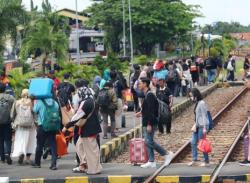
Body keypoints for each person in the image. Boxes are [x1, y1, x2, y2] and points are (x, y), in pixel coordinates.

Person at [62, 86, 102, 174]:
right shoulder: (92, 100)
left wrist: (67, 126)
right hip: (91, 129)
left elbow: (78, 116)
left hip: (88, 130)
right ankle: (84, 164)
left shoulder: (86, 102)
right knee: (80, 146)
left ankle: (94, 169)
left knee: (91, 150)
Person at [135, 77, 173, 168]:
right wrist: (141, 113)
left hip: (150, 122)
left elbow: (152, 111)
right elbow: (148, 110)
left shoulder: (150, 95)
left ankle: (166, 154)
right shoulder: (147, 94)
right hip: (146, 121)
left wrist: (149, 124)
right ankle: (151, 161)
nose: (138, 85)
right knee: (148, 141)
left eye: (140, 83)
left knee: (148, 141)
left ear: (145, 84)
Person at [32, 96, 60, 170]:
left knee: (40, 145)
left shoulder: (40, 102)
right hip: (53, 126)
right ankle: (53, 164)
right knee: (53, 145)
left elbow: (34, 110)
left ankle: (37, 163)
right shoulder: (55, 103)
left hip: (42, 126)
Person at [11, 89, 36, 165]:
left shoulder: (17, 102)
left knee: (20, 140)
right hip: (30, 126)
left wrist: (14, 121)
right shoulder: (31, 103)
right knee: (30, 142)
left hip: (20, 125)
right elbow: (35, 114)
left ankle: (21, 153)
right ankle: (28, 159)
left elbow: (12, 114)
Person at [188, 88, 210, 167]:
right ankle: (195, 159)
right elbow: (198, 116)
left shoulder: (202, 103)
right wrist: (195, 124)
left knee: (202, 143)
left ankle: (206, 161)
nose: (191, 98)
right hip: (197, 125)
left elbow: (204, 115)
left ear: (195, 95)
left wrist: (204, 128)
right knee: (193, 142)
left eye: (191, 96)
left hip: (202, 126)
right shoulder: (197, 103)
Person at [0, 83, 15, 164]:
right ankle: (7, 153)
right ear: (5, 89)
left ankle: (2, 157)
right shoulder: (10, 97)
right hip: (8, 121)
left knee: (0, 139)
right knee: (8, 139)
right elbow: (15, 106)